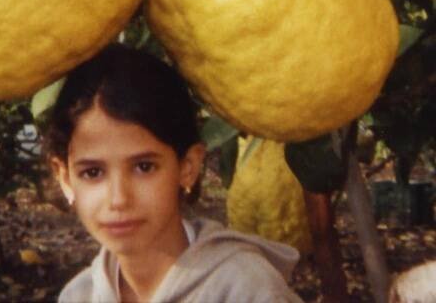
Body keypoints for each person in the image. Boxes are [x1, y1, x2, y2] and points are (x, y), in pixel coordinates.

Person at [45, 43, 304, 303]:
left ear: (188, 167)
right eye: (92, 173)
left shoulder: (246, 290)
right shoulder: (79, 296)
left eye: (144, 167)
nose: (118, 199)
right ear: (65, 178)